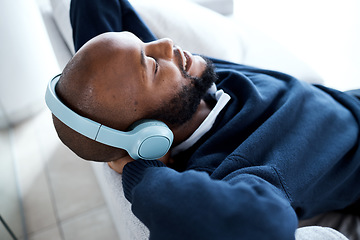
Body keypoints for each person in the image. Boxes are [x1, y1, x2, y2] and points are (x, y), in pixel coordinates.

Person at [49, 0, 360, 239]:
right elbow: (260, 227)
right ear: (148, 134)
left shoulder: (185, 83)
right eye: (153, 66)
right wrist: (140, 171)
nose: (165, 45)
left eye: (144, 45)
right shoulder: (231, 164)